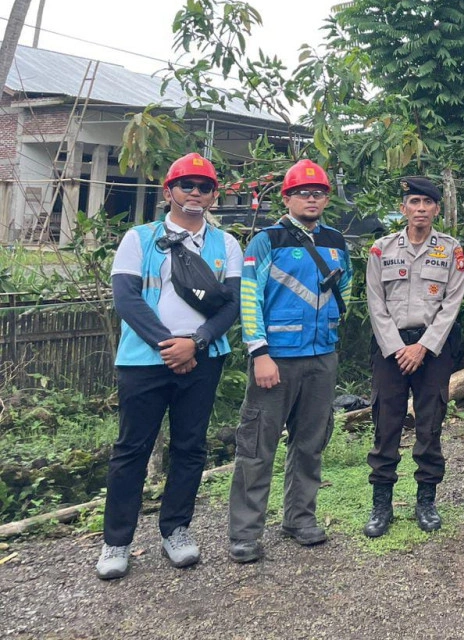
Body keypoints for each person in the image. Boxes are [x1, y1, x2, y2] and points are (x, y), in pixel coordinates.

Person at [96, 153, 242, 580]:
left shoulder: (226, 244)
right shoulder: (139, 238)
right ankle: (116, 540)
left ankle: (176, 529)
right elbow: (126, 298)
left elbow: (231, 304)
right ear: (169, 192)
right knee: (131, 449)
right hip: (144, 361)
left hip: (203, 359)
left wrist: (194, 344)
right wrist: (168, 346)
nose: (195, 193)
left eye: (204, 187)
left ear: (215, 195)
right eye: (187, 185)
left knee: (190, 446)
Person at [227, 160, 351, 563]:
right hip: (276, 360)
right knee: (257, 446)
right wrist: (259, 352)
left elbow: (344, 284)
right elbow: (249, 297)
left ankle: (300, 518)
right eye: (302, 192)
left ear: (326, 198)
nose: (311, 198)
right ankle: (245, 533)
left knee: (311, 443)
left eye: (318, 192)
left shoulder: (335, 240)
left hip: (321, 356)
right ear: (287, 197)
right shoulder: (267, 240)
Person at [362, 176, 464, 537]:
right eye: (414, 202)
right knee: (386, 424)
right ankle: (381, 505)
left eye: (427, 203)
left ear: (437, 209)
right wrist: (397, 347)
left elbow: (453, 302)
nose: (420, 209)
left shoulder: (451, 251)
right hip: (390, 349)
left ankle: (426, 500)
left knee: (430, 423)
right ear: (404, 207)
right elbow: (375, 303)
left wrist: (423, 346)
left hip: (433, 349)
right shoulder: (382, 248)